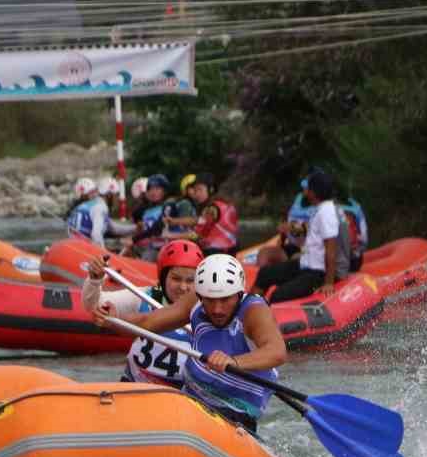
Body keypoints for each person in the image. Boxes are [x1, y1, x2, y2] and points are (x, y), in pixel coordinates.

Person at [90, 253, 286, 433]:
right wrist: (115, 320)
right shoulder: (196, 300)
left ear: (238, 293)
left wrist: (234, 362)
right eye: (210, 300)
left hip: (235, 415)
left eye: (225, 299)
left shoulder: (254, 311)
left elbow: (276, 352)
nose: (217, 309)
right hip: (189, 401)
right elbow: (148, 323)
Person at [82, 239, 203, 388]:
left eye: (190, 281)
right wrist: (95, 279)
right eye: (176, 278)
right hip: (134, 390)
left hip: (179, 399)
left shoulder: (206, 310)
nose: (183, 287)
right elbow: (92, 305)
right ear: (163, 277)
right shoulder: (145, 296)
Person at [251, 169, 341, 303]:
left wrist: (328, 282)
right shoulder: (319, 209)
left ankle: (266, 319)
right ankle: (248, 311)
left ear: (314, 192)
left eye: (308, 189)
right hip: (305, 264)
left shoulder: (327, 213)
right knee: (265, 274)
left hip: (316, 272)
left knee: (278, 296)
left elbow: (331, 250)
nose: (305, 193)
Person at [253, 174, 319, 268]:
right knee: (264, 253)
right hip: (292, 247)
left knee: (296, 259)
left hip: (311, 250)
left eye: (306, 188)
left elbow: (311, 228)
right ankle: (262, 277)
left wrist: (292, 228)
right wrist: (283, 236)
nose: (304, 189)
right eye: (304, 187)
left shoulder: (321, 207)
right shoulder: (299, 198)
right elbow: (289, 222)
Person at [182, 173, 240, 256]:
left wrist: (169, 235)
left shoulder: (212, 208)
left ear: (211, 189)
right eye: (195, 190)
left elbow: (196, 234)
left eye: (200, 190)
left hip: (216, 252)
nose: (197, 194)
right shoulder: (225, 203)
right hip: (231, 250)